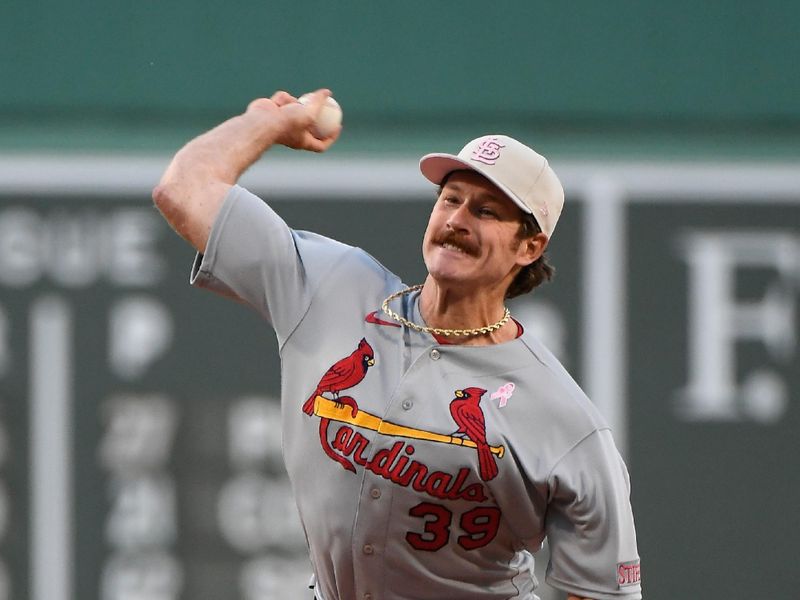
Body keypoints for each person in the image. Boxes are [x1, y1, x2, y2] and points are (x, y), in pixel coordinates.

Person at [153, 89, 641, 600]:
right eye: (450, 199)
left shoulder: (563, 419)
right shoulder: (332, 288)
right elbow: (182, 189)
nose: (457, 220)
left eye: (487, 211)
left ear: (529, 245)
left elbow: (601, 591)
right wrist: (264, 124)